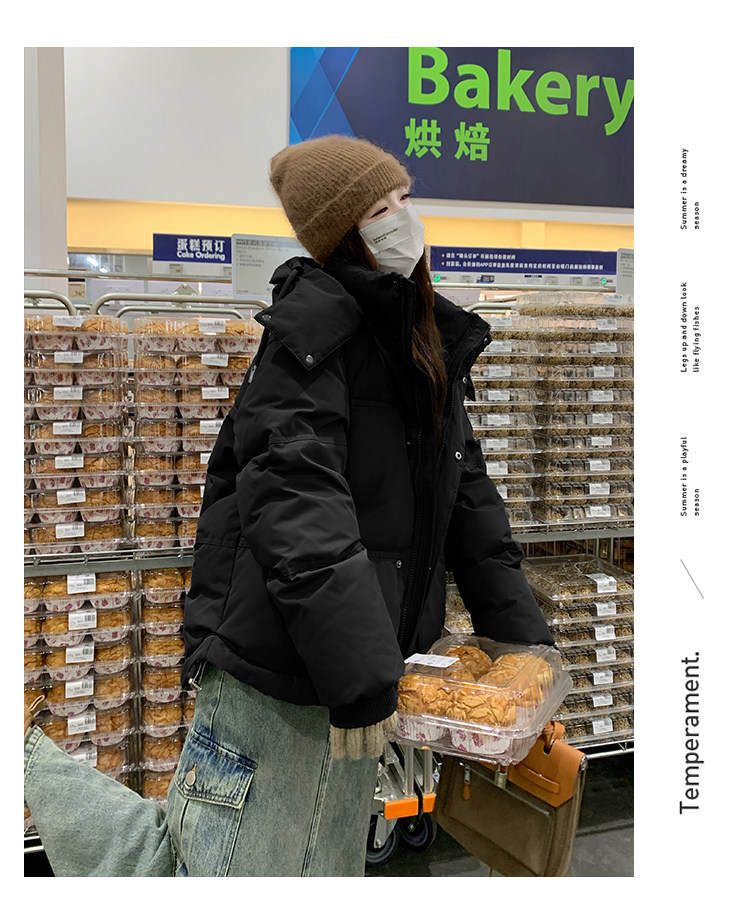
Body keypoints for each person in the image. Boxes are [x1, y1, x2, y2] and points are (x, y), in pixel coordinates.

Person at [23, 134, 554, 877]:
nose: (404, 219)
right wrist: (363, 675)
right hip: (276, 681)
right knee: (210, 875)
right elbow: (299, 509)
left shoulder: (421, 343)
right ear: (343, 231)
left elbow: (473, 511)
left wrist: (528, 656)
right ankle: (27, 763)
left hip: (352, 680)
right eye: (379, 208)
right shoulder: (307, 340)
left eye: (404, 198)